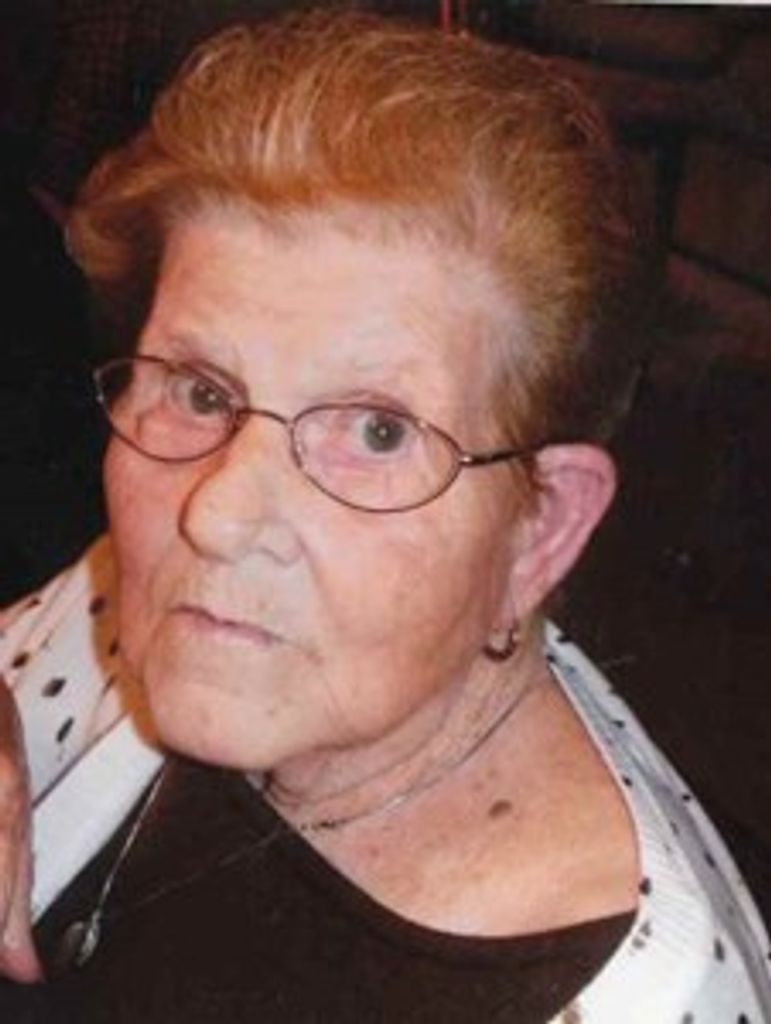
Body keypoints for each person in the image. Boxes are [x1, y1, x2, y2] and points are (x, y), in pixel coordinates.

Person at [0, 10, 769, 1022]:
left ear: (540, 529)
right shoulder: (157, 601)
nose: (219, 514)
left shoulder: (635, 1003)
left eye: (376, 431)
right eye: (199, 389)